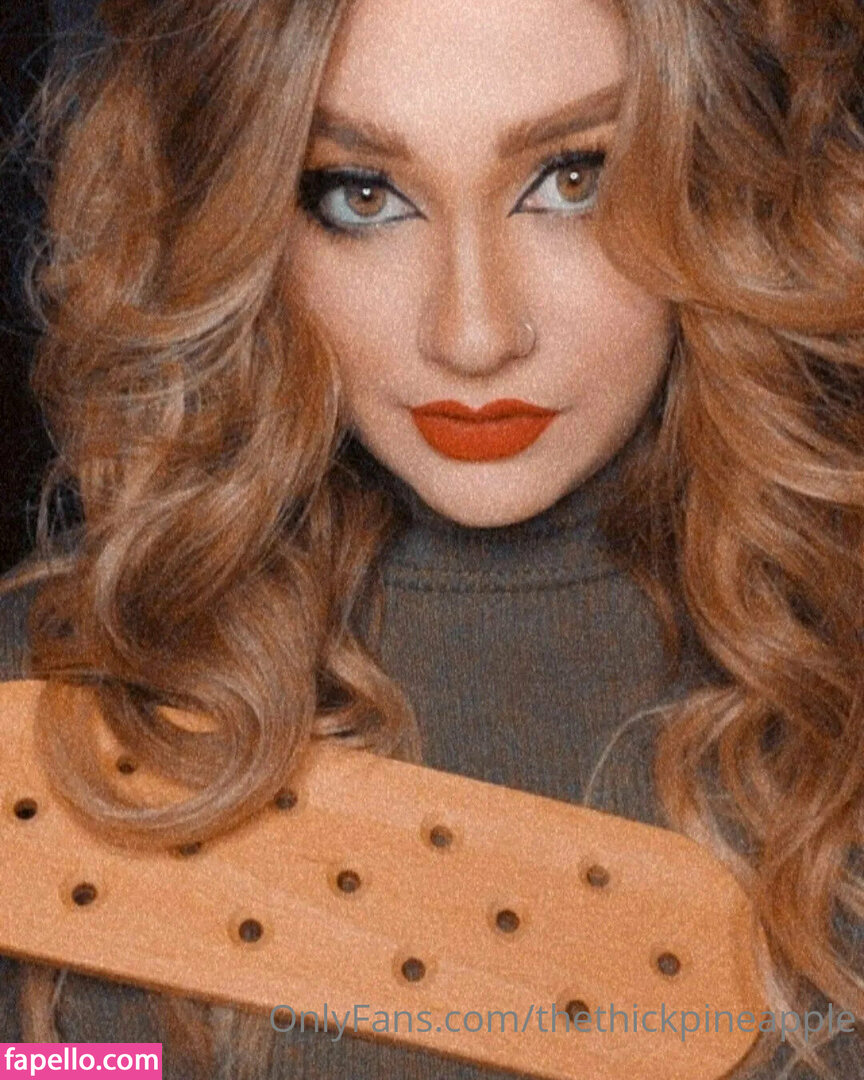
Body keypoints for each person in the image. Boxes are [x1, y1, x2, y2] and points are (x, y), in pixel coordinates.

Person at [1, 0, 862, 1076]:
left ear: (722, 175)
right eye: (362, 195)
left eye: (575, 179)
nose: (474, 335)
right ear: (243, 213)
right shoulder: (45, 699)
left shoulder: (836, 667)